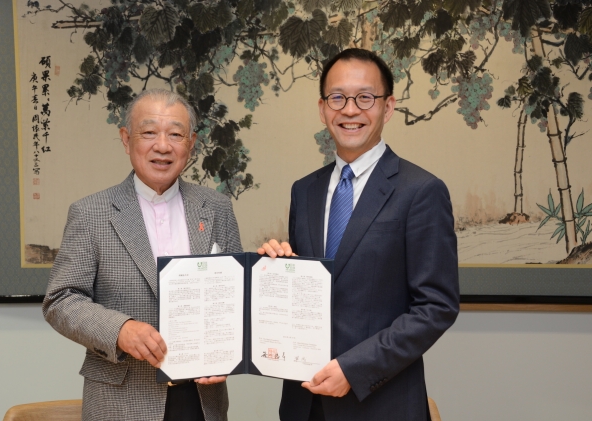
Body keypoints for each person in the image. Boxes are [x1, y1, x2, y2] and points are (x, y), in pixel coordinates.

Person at [259, 49, 460, 420]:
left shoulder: (421, 191)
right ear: (322, 109)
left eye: (365, 97)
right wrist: (276, 271)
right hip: (305, 403)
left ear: (388, 107)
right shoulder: (304, 191)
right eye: (337, 98)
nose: (350, 110)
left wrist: (355, 368)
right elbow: (315, 292)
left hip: (382, 403)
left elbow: (436, 307)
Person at [43, 88, 242, 421]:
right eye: (149, 133)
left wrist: (229, 352)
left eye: (175, 134)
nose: (162, 146)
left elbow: (236, 296)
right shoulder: (91, 212)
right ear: (126, 139)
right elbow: (61, 300)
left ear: (190, 144)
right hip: (121, 400)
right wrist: (120, 330)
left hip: (200, 400)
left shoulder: (217, 208)